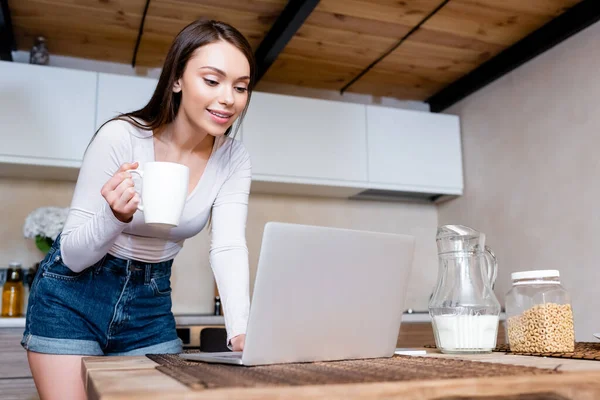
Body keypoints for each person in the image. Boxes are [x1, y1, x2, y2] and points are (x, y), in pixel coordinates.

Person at [21, 19, 254, 400]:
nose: (229, 98)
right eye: (212, 80)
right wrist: (114, 217)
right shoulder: (122, 136)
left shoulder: (233, 158)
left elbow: (227, 246)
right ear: (177, 79)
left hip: (150, 303)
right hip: (72, 297)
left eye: (241, 87)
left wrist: (240, 329)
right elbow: (74, 257)